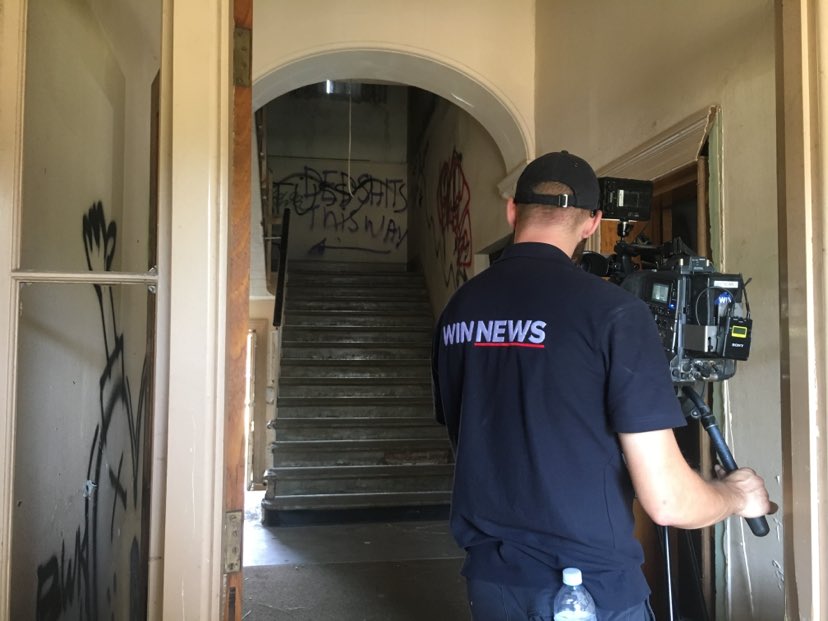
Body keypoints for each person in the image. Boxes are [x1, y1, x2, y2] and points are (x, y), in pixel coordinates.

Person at [431, 151, 776, 621]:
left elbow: (470, 437)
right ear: (593, 222)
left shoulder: (459, 309)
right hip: (584, 591)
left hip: (491, 586)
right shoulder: (614, 313)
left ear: (512, 210)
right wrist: (738, 496)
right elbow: (668, 502)